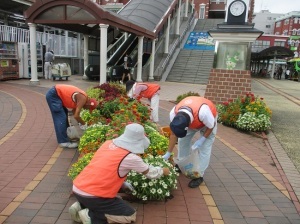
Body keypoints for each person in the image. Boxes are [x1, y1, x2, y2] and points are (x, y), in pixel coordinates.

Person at [69, 123, 170, 224]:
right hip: (94, 195)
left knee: (110, 201)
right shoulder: (131, 157)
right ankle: (90, 216)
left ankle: (80, 205)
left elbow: (106, 169)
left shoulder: (108, 144)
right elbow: (150, 173)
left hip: (78, 188)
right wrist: (163, 170)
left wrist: (123, 184)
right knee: (129, 215)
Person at [162, 96, 218, 188]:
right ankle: (183, 165)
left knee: (205, 147)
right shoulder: (174, 114)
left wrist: (202, 139)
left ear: (188, 126)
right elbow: (173, 134)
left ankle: (199, 175)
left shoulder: (203, 113)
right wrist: (168, 152)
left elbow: (212, 125)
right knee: (182, 141)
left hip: (208, 122)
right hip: (193, 119)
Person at [46, 84, 98, 148]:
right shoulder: (82, 99)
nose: (86, 109)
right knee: (61, 117)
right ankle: (63, 142)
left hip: (56, 94)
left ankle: (65, 137)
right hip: (54, 95)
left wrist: (79, 124)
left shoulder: (83, 98)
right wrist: (84, 124)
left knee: (64, 116)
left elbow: (74, 112)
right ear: (89, 104)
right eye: (88, 108)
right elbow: (76, 115)